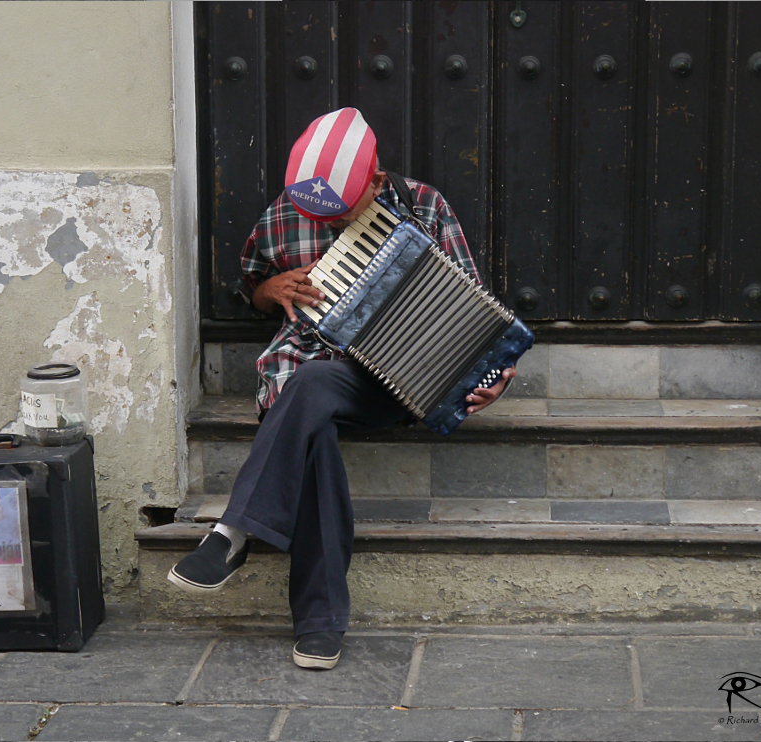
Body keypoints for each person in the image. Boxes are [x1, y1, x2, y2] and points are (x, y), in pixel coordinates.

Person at [168, 108, 515, 670]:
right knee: (310, 410)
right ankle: (320, 625)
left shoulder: (425, 207)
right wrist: (269, 291)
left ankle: (232, 531)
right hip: (302, 368)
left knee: (308, 394)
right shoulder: (286, 211)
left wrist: (492, 372)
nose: (324, 223)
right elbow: (252, 286)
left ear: (376, 182)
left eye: (340, 214)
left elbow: (473, 310)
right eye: (315, 213)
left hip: (392, 383)